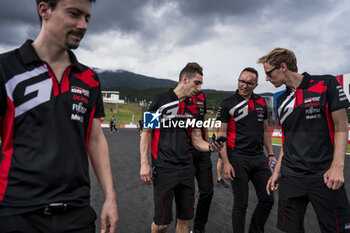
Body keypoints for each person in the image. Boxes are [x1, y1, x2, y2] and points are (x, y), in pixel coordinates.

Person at [0, 0, 118, 232]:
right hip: (17, 213)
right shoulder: (6, 68)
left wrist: (110, 197)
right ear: (44, 10)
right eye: (74, 14)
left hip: (76, 213)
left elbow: (95, 139)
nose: (83, 25)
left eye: (87, 18)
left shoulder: (89, 78)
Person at [259, 48, 350, 233]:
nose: (267, 79)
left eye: (269, 73)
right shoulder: (282, 99)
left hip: (324, 176)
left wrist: (337, 167)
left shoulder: (326, 84)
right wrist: (278, 170)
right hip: (291, 177)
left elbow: (341, 127)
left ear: (283, 66)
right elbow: (287, 140)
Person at [139, 62, 223, 233]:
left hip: (186, 168)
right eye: (196, 83)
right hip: (164, 168)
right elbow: (146, 133)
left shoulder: (195, 108)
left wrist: (211, 147)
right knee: (162, 223)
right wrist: (144, 164)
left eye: (201, 84)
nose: (199, 89)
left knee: (184, 221)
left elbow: (197, 139)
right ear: (185, 79)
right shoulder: (159, 100)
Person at [216, 67, 276, 233]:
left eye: (249, 83)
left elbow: (265, 130)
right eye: (242, 81)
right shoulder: (228, 102)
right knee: (241, 203)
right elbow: (221, 134)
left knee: (268, 199)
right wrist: (226, 162)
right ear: (238, 81)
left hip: (259, 158)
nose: (244, 85)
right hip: (237, 158)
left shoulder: (261, 102)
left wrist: (270, 153)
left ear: (256, 85)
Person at [191, 91, 214, 233]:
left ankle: (199, 228)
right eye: (196, 82)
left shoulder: (202, 96)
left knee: (207, 191)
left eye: (200, 83)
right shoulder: (177, 96)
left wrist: (207, 143)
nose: (198, 86)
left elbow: (203, 120)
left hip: (202, 151)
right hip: (184, 151)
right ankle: (182, 226)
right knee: (186, 193)